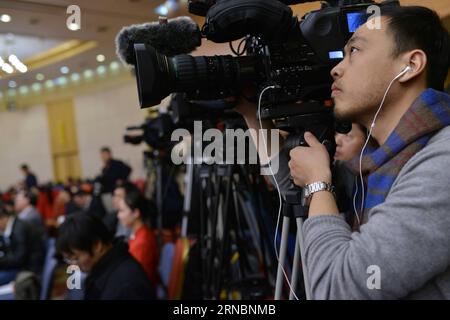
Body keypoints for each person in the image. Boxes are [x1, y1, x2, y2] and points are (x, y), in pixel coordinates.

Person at [236, 5, 450, 299]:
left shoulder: (442, 162)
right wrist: (251, 112)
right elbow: (294, 190)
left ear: (410, 65)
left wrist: (318, 184)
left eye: (355, 52)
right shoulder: (375, 159)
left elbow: (338, 289)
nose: (336, 68)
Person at [56, 213, 154, 300]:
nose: (74, 265)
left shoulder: (125, 286)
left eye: (76, 258)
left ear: (97, 245)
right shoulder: (104, 269)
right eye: (69, 260)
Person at [117, 185, 158, 290]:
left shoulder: (142, 242)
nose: (118, 216)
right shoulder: (139, 234)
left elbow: (135, 280)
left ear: (135, 213)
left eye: (122, 211)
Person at [0, 205, 31, 285]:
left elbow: (19, 258)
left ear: (3, 218)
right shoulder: (10, 227)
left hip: (24, 270)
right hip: (14, 267)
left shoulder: (19, 229)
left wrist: (2, 261)